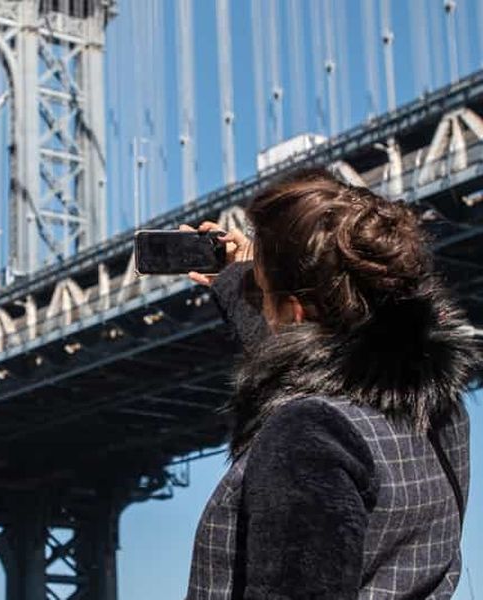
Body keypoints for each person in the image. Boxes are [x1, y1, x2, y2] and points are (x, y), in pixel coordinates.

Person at [181, 169, 480, 599]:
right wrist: (241, 282)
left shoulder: (306, 437)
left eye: (262, 293)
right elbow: (330, 365)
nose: (258, 303)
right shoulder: (440, 408)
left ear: (296, 312)